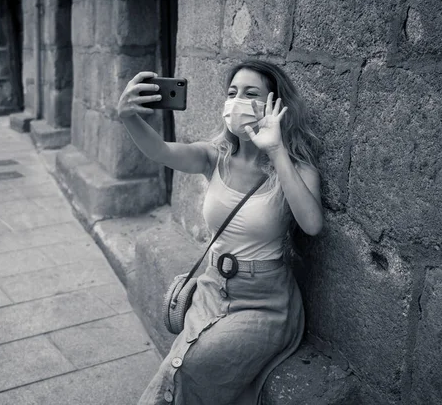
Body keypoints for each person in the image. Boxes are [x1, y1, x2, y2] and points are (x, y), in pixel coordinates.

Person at [117, 59, 324, 405]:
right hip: (213, 286)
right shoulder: (215, 156)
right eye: (232, 93)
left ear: (273, 104)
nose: (237, 100)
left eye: (250, 93)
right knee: (180, 362)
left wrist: (276, 150)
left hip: (266, 301)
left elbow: (312, 224)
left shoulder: (297, 167)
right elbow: (161, 151)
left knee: (190, 364)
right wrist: (128, 117)